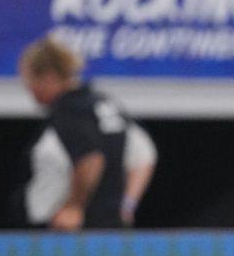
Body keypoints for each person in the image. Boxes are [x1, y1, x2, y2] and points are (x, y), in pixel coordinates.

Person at [12, 37, 157, 230]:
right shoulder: (104, 104)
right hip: (111, 226)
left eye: (29, 80)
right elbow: (144, 156)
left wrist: (74, 207)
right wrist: (126, 205)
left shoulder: (70, 110)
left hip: (73, 232)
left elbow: (91, 158)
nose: (28, 89)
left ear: (49, 77)